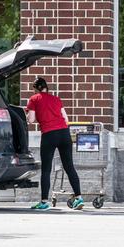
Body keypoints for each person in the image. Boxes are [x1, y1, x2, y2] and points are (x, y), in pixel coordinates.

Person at [26, 77, 83, 210]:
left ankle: (44, 202)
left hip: (49, 135)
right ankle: (79, 198)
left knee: (46, 170)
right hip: (64, 133)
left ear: (35, 88)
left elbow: (32, 120)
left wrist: (28, 113)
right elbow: (66, 119)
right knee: (69, 167)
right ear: (46, 87)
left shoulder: (34, 99)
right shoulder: (56, 99)